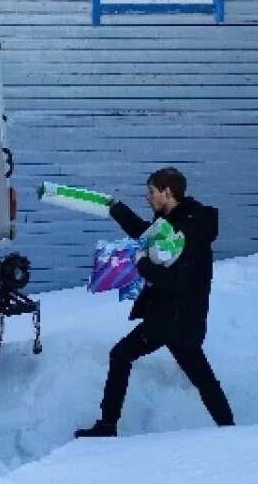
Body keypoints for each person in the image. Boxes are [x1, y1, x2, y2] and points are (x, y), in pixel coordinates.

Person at [75, 167, 235, 438]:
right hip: (170, 317)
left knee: (129, 357)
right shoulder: (172, 219)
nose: (147, 197)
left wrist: (143, 264)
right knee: (199, 377)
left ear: (167, 192)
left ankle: (107, 425)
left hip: (176, 318)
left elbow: (178, 280)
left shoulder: (187, 230)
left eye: (151, 192)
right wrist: (116, 209)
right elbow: (145, 233)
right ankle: (229, 429)